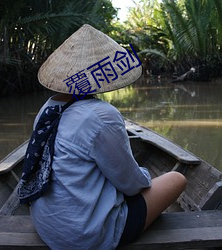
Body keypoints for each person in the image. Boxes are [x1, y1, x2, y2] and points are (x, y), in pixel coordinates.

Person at [18, 24, 186, 250]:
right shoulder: (101, 115)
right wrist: (145, 175)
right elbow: (131, 185)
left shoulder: (48, 109)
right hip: (84, 235)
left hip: (47, 225)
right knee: (177, 180)